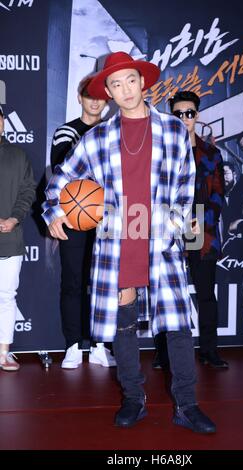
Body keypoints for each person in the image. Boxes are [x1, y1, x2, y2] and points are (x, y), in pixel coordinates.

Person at [42, 51, 216, 433]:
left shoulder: (172, 129)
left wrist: (176, 228)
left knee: (179, 327)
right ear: (108, 92)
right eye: (116, 84)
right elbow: (62, 176)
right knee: (124, 324)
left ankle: (186, 405)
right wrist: (53, 210)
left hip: (160, 240)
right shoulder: (98, 137)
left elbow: (186, 182)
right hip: (116, 237)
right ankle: (134, 401)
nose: (125, 90)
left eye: (130, 81)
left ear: (142, 82)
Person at [50, 74, 116, 369]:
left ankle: (101, 344)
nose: (94, 101)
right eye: (88, 95)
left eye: (100, 96)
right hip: (75, 216)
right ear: (79, 98)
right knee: (74, 282)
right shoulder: (67, 132)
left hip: (108, 219)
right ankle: (74, 345)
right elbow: (65, 172)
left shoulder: (113, 132)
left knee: (104, 283)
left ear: (107, 100)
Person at [168, 91, 228, 368]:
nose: (184, 119)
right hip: (169, 225)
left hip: (200, 227)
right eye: (178, 114)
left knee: (205, 292)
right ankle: (163, 353)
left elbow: (218, 192)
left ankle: (209, 350)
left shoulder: (211, 153)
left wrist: (202, 221)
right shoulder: (163, 152)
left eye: (189, 113)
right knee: (166, 292)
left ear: (197, 115)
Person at [0, 104, 36, 371]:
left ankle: (4, 352)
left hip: (10, 240)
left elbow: (27, 192)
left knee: (6, 296)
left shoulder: (18, 155)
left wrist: (13, 219)